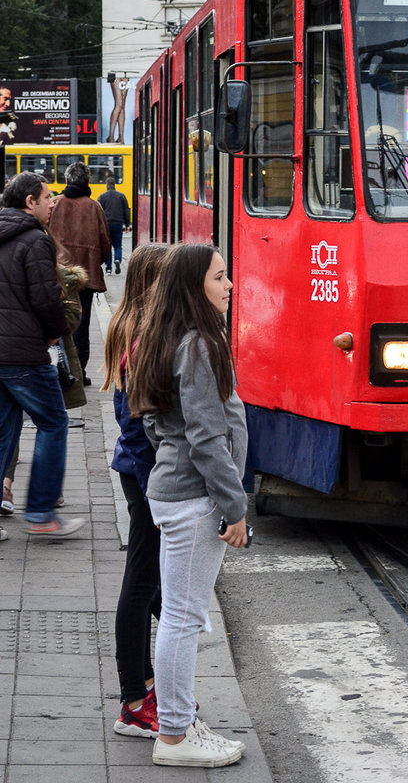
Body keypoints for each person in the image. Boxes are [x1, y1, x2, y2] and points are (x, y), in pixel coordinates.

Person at [127, 244, 249, 769]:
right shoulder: (197, 345)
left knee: (179, 615)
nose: (229, 286)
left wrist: (174, 456)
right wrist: (235, 505)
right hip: (195, 498)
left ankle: (177, 723)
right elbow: (206, 438)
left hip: (174, 491)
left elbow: (155, 422)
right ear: (195, 285)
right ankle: (175, 735)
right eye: (220, 278)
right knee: (182, 618)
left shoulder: (167, 336)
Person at [102, 243, 172, 739]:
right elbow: (143, 425)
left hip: (136, 469)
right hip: (145, 471)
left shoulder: (132, 325)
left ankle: (156, 683)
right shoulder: (145, 336)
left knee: (151, 581)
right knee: (141, 582)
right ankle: (135, 699)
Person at [0, 171, 84, 538]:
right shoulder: (35, 240)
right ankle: (41, 512)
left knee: (3, 429)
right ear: (29, 202)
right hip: (23, 353)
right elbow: (48, 299)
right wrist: (53, 334)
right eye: (47, 197)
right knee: (53, 422)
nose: (53, 203)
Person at [49, 160, 111, 386]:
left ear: (66, 180)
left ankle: (59, 372)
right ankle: (80, 373)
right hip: (84, 279)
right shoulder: (94, 207)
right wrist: (93, 263)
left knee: (56, 323)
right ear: (87, 181)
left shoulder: (54, 204)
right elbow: (105, 244)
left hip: (56, 276)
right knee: (81, 326)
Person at [98, 178, 131, 274]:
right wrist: (127, 224)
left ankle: (108, 268)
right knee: (117, 245)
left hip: (106, 224)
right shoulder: (121, 196)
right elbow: (126, 211)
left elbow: (98, 212)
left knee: (107, 246)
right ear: (115, 185)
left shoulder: (102, 197)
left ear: (106, 185)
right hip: (118, 223)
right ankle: (117, 259)